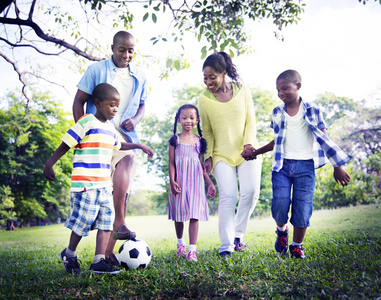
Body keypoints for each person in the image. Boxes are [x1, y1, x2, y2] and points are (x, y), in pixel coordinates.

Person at [44, 83, 153, 274]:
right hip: (85, 184)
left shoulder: (110, 128)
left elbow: (119, 146)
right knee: (82, 222)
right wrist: (50, 163)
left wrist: (139, 145)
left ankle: (98, 261)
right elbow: (66, 143)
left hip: (104, 185)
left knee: (106, 222)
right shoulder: (86, 122)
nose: (115, 109)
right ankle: (69, 254)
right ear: (98, 103)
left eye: (117, 106)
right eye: (112, 105)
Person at [245, 69, 351, 259]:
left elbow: (324, 140)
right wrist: (256, 152)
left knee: (303, 208)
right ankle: (282, 231)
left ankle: (297, 245)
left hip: (305, 167)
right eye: (278, 90)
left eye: (285, 88)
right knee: (279, 204)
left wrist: (337, 166)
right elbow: (277, 140)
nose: (281, 93)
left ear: (298, 86)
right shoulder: (277, 112)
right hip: (282, 167)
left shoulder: (312, 110)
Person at [72, 31, 148, 266]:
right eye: (122, 50)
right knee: (102, 194)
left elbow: (143, 104)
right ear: (112, 48)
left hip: (123, 137)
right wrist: (84, 133)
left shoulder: (140, 76)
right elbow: (78, 101)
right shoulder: (96, 71)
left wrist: (134, 121)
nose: (127, 55)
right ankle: (77, 251)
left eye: (131, 50)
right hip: (98, 137)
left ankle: (112, 241)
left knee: (122, 185)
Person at [198, 52, 262, 257]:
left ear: (223, 73)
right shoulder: (204, 99)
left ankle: (238, 234)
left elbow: (250, 121)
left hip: (248, 151)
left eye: (212, 77)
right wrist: (207, 157)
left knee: (251, 192)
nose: (208, 82)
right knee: (229, 196)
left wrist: (249, 145)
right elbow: (206, 131)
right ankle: (226, 245)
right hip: (220, 155)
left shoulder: (243, 91)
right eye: (205, 78)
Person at [168, 104, 216, 262]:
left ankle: (192, 250)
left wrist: (209, 183)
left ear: (196, 120)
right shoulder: (175, 140)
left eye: (191, 118)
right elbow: (172, 163)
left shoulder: (199, 141)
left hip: (195, 183)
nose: (188, 120)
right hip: (179, 182)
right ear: (179, 120)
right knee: (180, 215)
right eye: (184, 117)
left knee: (194, 214)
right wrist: (172, 181)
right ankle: (180, 243)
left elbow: (201, 166)